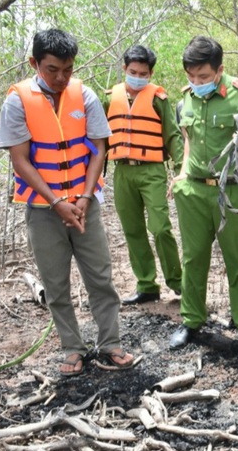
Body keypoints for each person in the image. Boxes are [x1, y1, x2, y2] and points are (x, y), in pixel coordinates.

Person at [0, 29, 135, 376]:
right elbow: (20, 161)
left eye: (68, 69)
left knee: (101, 278)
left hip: (86, 207)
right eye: (52, 69)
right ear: (35, 63)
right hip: (45, 212)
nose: (61, 77)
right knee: (56, 284)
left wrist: (86, 197)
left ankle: (111, 344)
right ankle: (73, 347)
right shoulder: (17, 101)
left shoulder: (84, 96)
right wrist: (57, 202)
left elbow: (99, 150)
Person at [169, 36, 238, 354]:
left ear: (219, 70)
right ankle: (191, 321)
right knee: (193, 259)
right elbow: (188, 139)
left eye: (203, 77)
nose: (196, 83)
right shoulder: (185, 98)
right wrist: (183, 175)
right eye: (191, 77)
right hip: (194, 192)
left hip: (233, 192)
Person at [104, 45, 183, 305]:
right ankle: (147, 285)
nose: (137, 77)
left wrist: (183, 170)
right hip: (122, 171)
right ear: (124, 69)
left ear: (150, 73)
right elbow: (99, 139)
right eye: (133, 71)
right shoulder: (109, 97)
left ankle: (178, 282)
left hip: (151, 170)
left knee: (160, 228)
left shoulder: (158, 98)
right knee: (133, 230)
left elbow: (172, 135)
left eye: (143, 73)